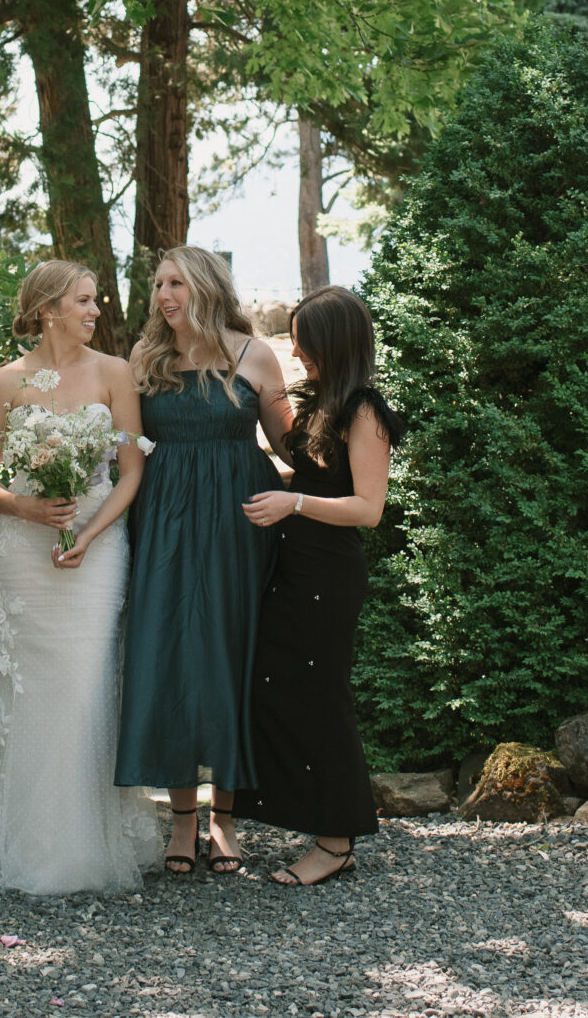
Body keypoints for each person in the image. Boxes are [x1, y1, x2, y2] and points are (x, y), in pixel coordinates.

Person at [0, 258, 162, 893]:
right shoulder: (6, 381)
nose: (95, 311)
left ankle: (81, 843)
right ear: (49, 308)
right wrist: (24, 506)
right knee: (24, 688)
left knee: (85, 685)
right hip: (25, 551)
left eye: (95, 301)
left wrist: (89, 530)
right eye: (84, 300)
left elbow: (131, 472)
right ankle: (17, 837)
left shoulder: (115, 374)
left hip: (96, 550)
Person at [117, 245, 293, 876]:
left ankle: (227, 820)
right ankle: (182, 820)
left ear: (208, 288)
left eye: (178, 284)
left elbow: (289, 444)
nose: (165, 296)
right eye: (160, 284)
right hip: (164, 516)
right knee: (168, 652)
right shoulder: (146, 359)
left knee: (227, 652)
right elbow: (126, 447)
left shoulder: (254, 355)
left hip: (238, 519)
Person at [232, 285, 401, 887]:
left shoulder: (365, 411)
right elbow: (304, 473)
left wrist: (294, 502)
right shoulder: (324, 405)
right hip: (296, 566)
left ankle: (336, 841)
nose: (299, 354)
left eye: (306, 344)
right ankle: (315, 823)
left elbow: (367, 508)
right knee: (278, 690)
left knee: (321, 700)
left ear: (336, 342)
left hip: (329, 573)